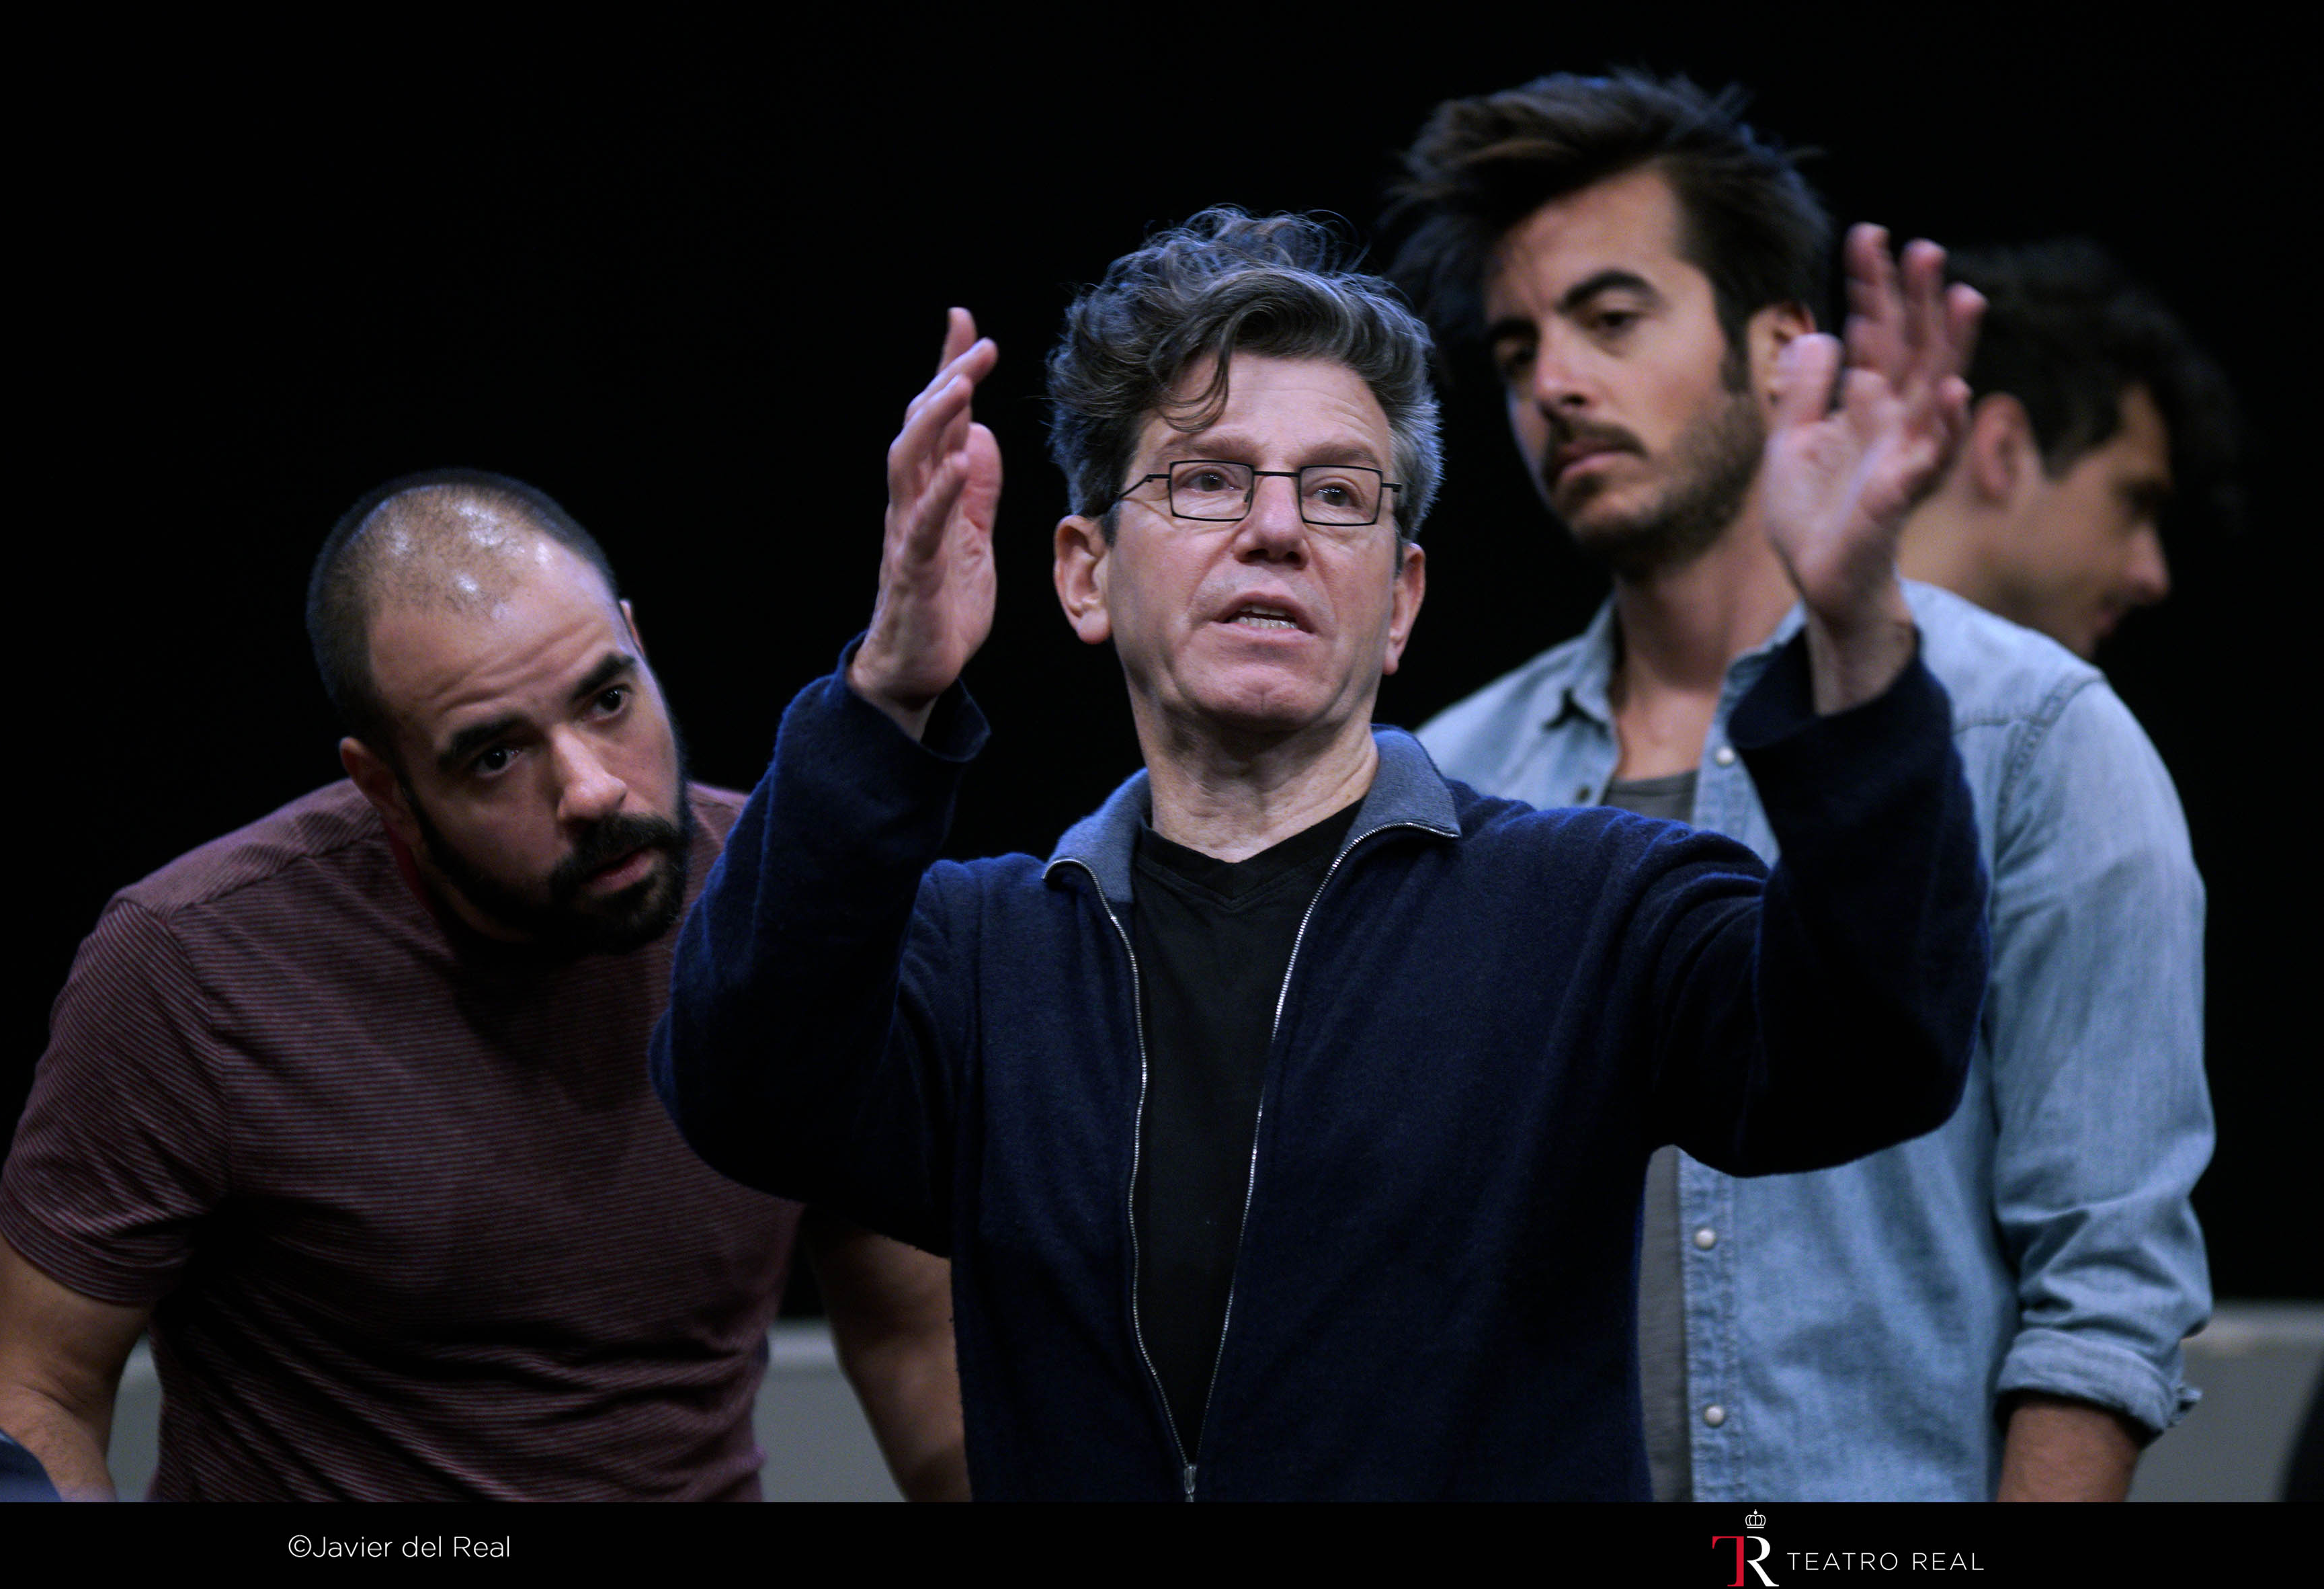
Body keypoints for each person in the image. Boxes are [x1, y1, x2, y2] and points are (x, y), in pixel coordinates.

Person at [651, 206, 1993, 1500]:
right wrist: (884, 695)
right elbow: (739, 1085)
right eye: (1206, 480)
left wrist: (1859, 633)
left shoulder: (1591, 906)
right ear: (1082, 572)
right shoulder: (975, 955)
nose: (1278, 529)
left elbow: (1869, 1057)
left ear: (1398, 599)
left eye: (1340, 494)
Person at [1389, 71, 2212, 1501]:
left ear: (1779, 347)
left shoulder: (2029, 729)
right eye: (1518, 348)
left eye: (1611, 317)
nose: (1553, 386)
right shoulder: (1455, 772)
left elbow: (2106, 1288)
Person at [0, 471, 966, 1501]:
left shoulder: (793, 905)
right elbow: (34, 1391)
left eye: (607, 699)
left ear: (637, 641)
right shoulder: (188, 970)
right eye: (495, 756)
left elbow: (914, 1334)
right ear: (385, 788)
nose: (591, 789)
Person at [1895, 239, 2238, 658]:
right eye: (2133, 502)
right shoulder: (2069, 715)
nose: (2153, 577)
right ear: (2004, 452)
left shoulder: (1801, 672)